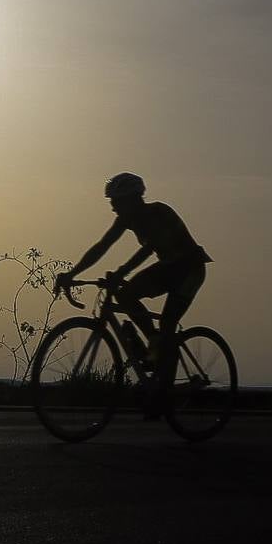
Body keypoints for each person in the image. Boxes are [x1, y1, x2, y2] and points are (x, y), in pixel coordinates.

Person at [55, 172, 212, 417]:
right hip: (168, 268)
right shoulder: (126, 219)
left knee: (168, 323)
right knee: (126, 295)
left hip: (190, 269)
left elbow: (148, 250)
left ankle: (162, 383)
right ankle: (155, 347)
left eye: (117, 202)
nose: (113, 207)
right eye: (112, 202)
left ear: (133, 200)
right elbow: (101, 247)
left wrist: (120, 272)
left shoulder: (159, 212)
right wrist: (71, 273)